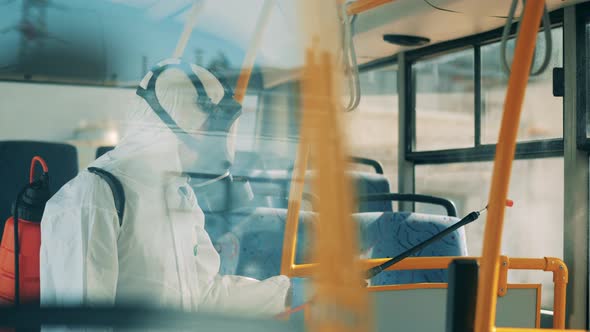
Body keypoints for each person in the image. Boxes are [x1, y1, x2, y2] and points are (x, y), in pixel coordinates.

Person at [39, 59, 292, 316]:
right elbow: (83, 322)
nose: (219, 142)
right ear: (174, 124)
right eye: (212, 128)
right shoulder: (96, 195)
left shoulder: (180, 194)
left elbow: (202, 295)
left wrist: (287, 296)